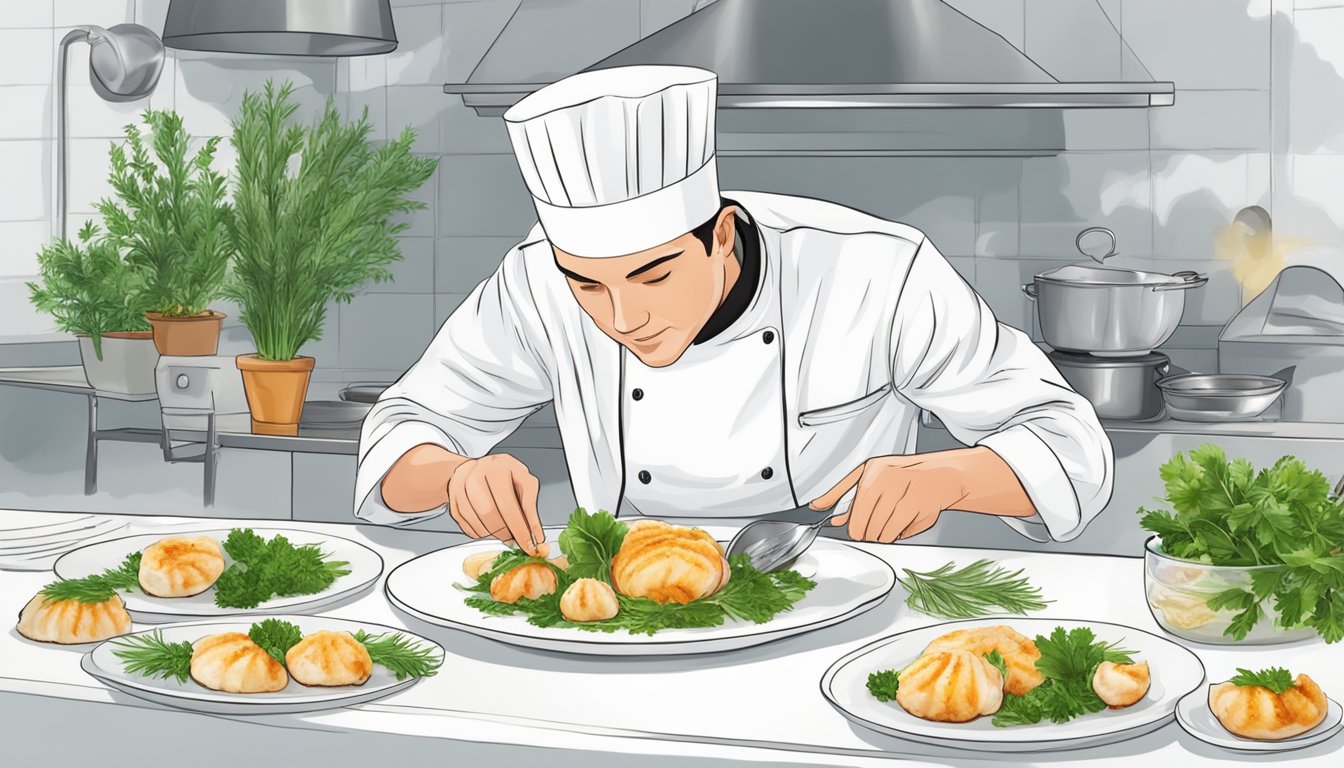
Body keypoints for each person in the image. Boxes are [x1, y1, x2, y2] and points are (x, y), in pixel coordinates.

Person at [354, 65, 1113, 554]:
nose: (620, 316)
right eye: (588, 285)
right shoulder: (534, 282)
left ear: (721, 236)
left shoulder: (875, 270)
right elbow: (401, 435)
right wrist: (452, 476)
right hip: (626, 620)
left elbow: (1071, 446)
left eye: (653, 276)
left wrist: (952, 476)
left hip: (853, 618)